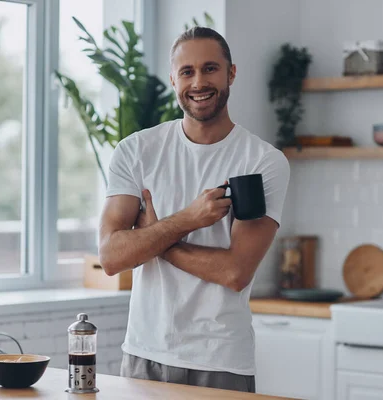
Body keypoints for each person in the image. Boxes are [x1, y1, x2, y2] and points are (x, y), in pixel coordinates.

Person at [98, 26, 290, 393]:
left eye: (210, 69)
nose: (198, 81)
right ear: (173, 79)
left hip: (221, 361)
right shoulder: (136, 151)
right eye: (187, 72)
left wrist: (156, 238)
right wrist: (187, 219)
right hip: (144, 355)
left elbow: (235, 272)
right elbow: (111, 257)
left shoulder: (263, 161)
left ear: (231, 73)